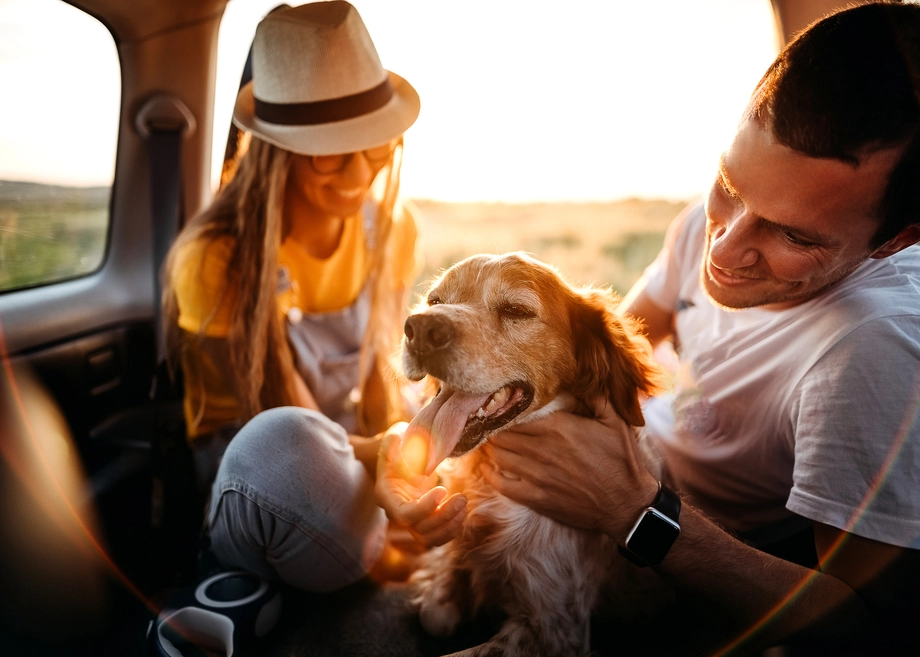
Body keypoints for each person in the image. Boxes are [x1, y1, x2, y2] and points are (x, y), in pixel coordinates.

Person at [378, 1, 920, 653]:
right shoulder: (705, 225)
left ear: (898, 239)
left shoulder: (872, 348)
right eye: (729, 184)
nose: (721, 251)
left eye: (793, 234)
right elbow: (584, 356)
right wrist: (411, 452)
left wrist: (635, 512)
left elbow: (862, 625)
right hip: (595, 460)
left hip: (664, 537)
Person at [162, 1, 422, 591]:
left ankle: (368, 553)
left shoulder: (393, 231)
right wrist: (379, 459)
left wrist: (412, 454)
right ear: (278, 153)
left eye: (376, 146)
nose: (359, 176)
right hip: (264, 485)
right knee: (297, 459)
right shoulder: (214, 258)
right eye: (330, 152)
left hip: (356, 465)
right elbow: (288, 428)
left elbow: (384, 373)